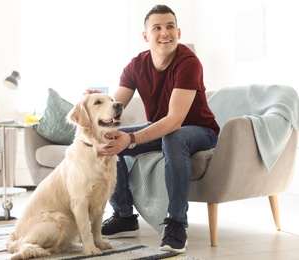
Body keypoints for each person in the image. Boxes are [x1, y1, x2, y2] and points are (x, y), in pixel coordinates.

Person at [93, 4, 220, 254]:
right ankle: (123, 216)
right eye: (157, 28)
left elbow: (174, 121)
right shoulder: (135, 65)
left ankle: (176, 224)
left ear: (179, 32)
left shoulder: (188, 62)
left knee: (172, 137)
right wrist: (94, 102)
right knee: (110, 139)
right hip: (162, 127)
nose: (165, 33)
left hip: (200, 131)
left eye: (170, 27)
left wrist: (130, 139)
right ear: (146, 36)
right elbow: (114, 107)